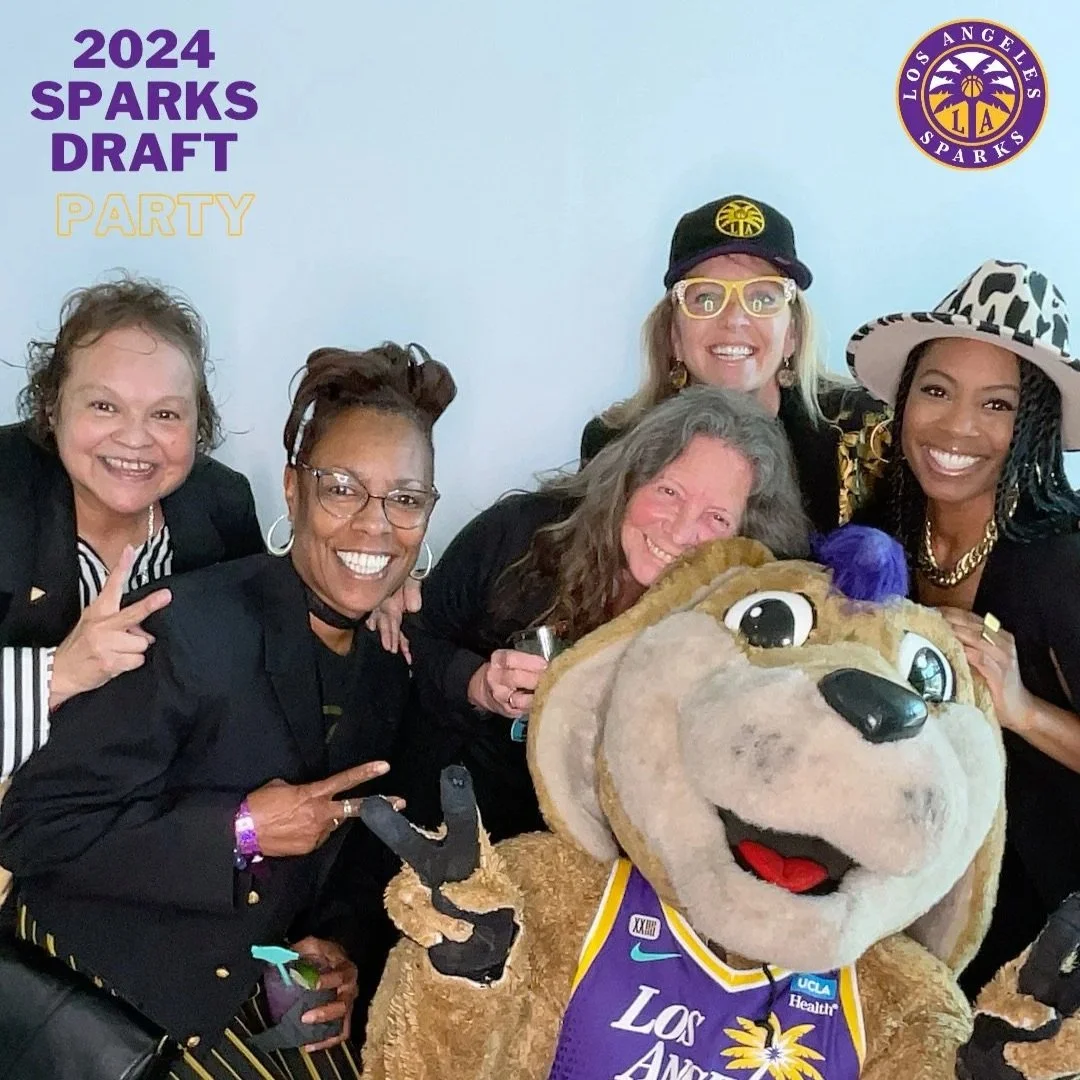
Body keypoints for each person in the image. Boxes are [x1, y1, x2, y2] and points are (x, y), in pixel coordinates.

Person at [0, 342, 456, 1078]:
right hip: (94, 993)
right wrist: (241, 831)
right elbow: (35, 828)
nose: (376, 526)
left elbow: (347, 860)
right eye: (343, 488)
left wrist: (341, 950)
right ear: (293, 489)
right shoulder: (192, 626)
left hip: (242, 993)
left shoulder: (386, 668)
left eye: (404, 499)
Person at [401, 386, 810, 842]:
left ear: (745, 535)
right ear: (630, 480)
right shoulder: (521, 532)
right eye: (669, 491)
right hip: (433, 827)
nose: (678, 530)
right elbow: (411, 637)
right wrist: (476, 684)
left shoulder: (735, 629)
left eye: (716, 518)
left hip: (592, 874)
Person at [846, 258, 1080, 999]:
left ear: (1034, 425)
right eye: (937, 391)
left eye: (998, 405)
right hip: (912, 900)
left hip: (1047, 938)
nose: (956, 427)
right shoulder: (879, 529)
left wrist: (1023, 710)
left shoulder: (1061, 568)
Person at [0, 274, 263, 784]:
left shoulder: (222, 504)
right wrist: (60, 672)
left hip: (150, 819)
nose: (135, 438)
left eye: (165, 414)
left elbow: (263, 662)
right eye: (104, 406)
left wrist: (369, 587)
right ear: (53, 406)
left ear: (197, 426)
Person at [581, 194, 891, 532]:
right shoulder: (614, 443)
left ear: (792, 333)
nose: (734, 319)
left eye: (762, 297)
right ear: (673, 335)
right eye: (707, 297)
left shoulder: (866, 433)